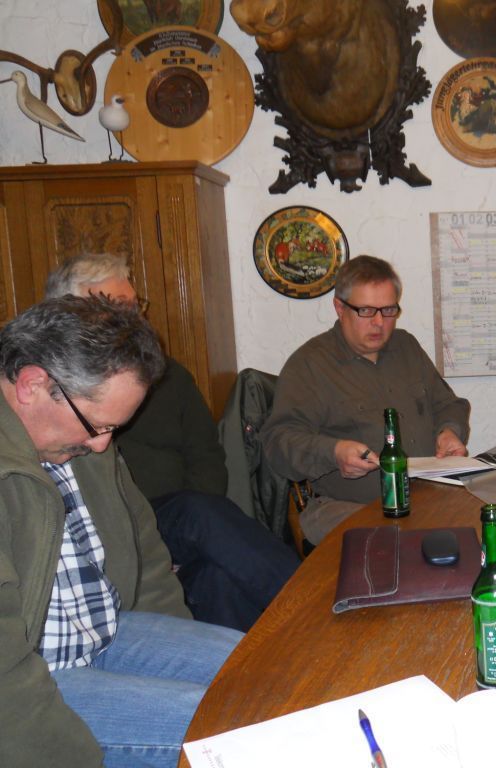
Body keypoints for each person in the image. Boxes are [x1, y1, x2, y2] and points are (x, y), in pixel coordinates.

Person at [0, 295, 243, 768]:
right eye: (97, 426)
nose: (102, 445)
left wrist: (175, 642)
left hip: (108, 631)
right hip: (32, 678)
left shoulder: (80, 437)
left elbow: (143, 548)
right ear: (32, 384)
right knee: (231, 727)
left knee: (265, 671)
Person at [45, 254, 299, 632]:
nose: (135, 320)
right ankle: (311, 608)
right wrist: (152, 545)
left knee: (216, 568)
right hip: (118, 527)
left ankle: (273, 658)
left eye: (135, 307)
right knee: (201, 524)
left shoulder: (167, 374)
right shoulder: (58, 393)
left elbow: (207, 459)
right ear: (71, 314)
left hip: (183, 521)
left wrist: (181, 542)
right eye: (119, 309)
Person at [262, 255, 471, 545]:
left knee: (488, 520)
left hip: (427, 495)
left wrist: (449, 431)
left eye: (388, 310)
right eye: (366, 311)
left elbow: (449, 404)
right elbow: (277, 442)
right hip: (345, 507)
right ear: (340, 308)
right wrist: (334, 452)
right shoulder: (310, 365)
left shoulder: (406, 346)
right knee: (404, 543)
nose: (379, 323)